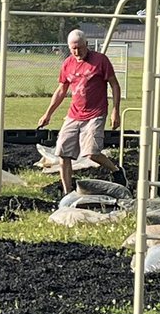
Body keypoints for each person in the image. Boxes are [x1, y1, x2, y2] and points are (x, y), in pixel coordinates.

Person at [37, 29, 124, 194]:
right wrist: (48, 114)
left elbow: (114, 84)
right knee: (63, 153)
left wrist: (115, 110)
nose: (77, 52)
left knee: (92, 153)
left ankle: (116, 171)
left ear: (87, 45)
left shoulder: (100, 60)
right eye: (73, 49)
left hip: (96, 113)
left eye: (80, 48)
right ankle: (67, 192)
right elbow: (62, 90)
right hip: (73, 114)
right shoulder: (68, 63)